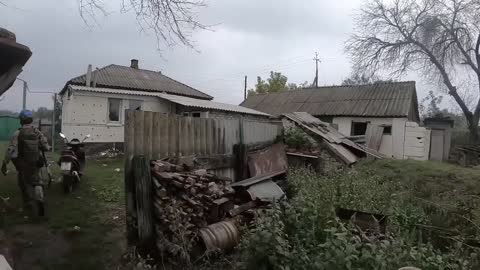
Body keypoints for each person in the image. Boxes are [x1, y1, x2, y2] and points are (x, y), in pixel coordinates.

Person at [1, 110, 50, 215]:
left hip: (24, 164)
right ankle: (39, 196)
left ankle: (28, 204)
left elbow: (11, 149)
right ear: (31, 120)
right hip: (36, 162)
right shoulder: (37, 132)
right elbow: (46, 147)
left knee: (23, 183)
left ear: (21, 121)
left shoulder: (18, 133)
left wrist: (5, 163)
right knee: (37, 180)